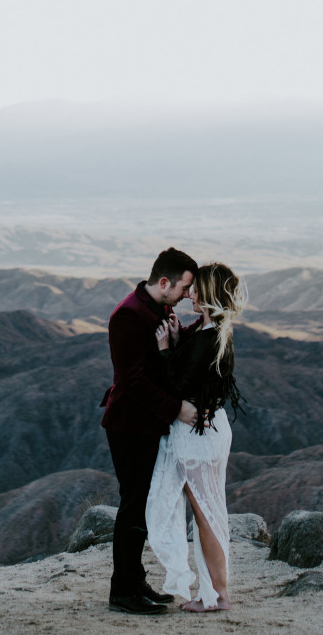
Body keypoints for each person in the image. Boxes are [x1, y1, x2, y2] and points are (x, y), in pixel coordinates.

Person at [99, 247, 201, 616]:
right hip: (129, 425)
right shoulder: (127, 315)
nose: (188, 296)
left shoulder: (157, 308)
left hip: (146, 424)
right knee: (133, 506)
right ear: (164, 282)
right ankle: (122, 591)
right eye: (185, 288)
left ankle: (134, 580)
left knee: (142, 505)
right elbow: (134, 380)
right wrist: (176, 409)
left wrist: (202, 326)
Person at [145, 261, 247, 612]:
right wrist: (177, 340)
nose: (189, 293)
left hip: (198, 435)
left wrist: (163, 350)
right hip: (208, 430)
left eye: (196, 288)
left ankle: (217, 596)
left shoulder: (208, 337)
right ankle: (215, 591)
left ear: (208, 293)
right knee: (209, 509)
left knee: (205, 513)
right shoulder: (211, 330)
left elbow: (178, 385)